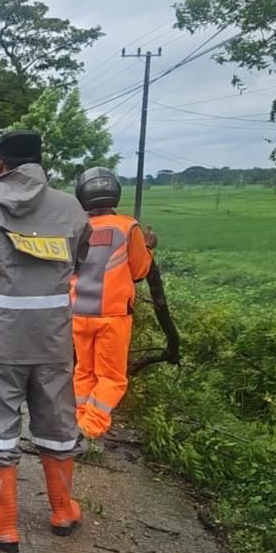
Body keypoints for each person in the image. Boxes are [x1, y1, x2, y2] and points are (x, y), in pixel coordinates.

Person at [0, 131, 90, 550]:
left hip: (1, 341)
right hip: (53, 338)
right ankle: (63, 510)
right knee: (58, 422)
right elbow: (78, 260)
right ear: (40, 161)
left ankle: (4, 524)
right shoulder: (71, 208)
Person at [70, 167, 157, 439]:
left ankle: (78, 421)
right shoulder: (127, 227)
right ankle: (91, 429)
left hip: (78, 314)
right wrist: (149, 247)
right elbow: (140, 271)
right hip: (113, 315)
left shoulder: (74, 228)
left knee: (83, 371)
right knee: (112, 378)